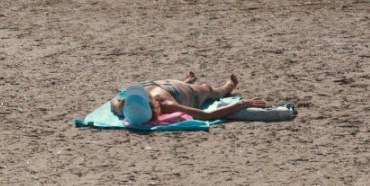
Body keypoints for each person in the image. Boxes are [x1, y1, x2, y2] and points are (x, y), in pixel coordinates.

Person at [109, 73, 270, 123]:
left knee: (170, 83)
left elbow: (113, 102)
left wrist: (120, 104)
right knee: (208, 90)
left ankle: (184, 81)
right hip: (187, 93)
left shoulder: (127, 108)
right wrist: (243, 103)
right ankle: (225, 89)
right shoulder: (168, 105)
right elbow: (208, 115)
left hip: (159, 84)